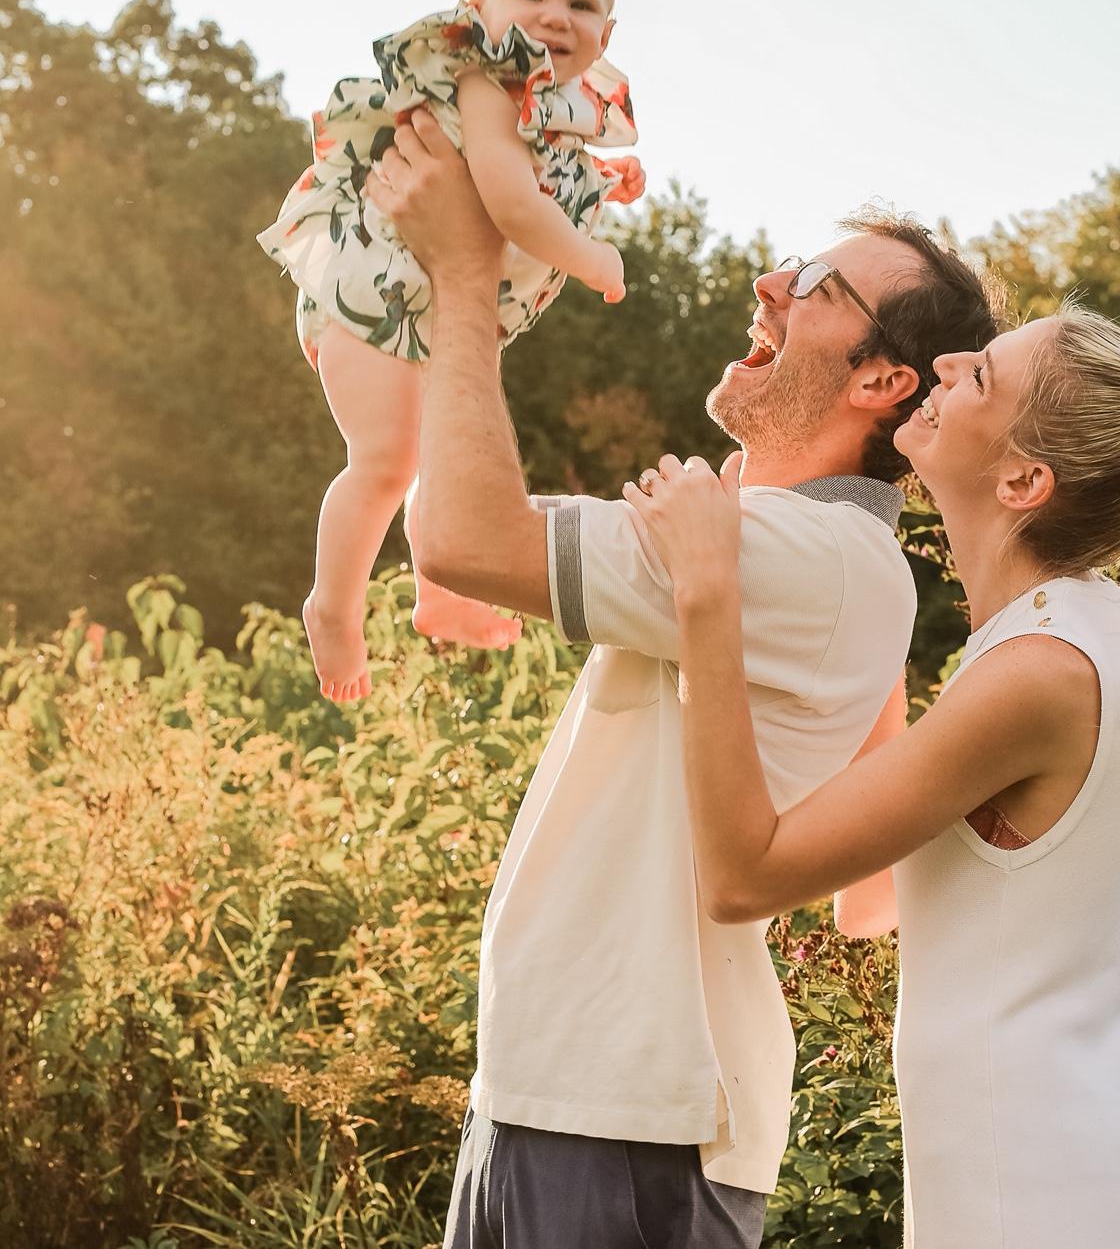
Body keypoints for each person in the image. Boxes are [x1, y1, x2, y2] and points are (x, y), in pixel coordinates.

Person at [361, 106, 1002, 1242]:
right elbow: (459, 521)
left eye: (814, 285)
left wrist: (467, 278)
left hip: (628, 1116)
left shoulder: (799, 555)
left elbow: (459, 535)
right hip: (571, 1093)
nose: (768, 282)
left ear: (879, 381)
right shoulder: (777, 540)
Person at [624, 308, 1120, 1247]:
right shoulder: (1076, 634)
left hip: (1028, 1196)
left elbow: (741, 877)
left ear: (1023, 481)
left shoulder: (1041, 673)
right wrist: (856, 615)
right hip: (1034, 1173)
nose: (949, 362)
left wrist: (708, 594)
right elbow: (872, 903)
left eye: (981, 376)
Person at [257, 0, 643, 701]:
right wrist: (595, 257)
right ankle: (333, 605)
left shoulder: (553, 107)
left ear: (606, 33)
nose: (555, 15)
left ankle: (443, 590)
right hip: (376, 298)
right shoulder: (482, 78)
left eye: (580, 3)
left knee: (446, 450)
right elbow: (510, 202)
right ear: (478, 5)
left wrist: (603, 181)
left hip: (429, 308)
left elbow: (540, 176)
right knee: (387, 460)